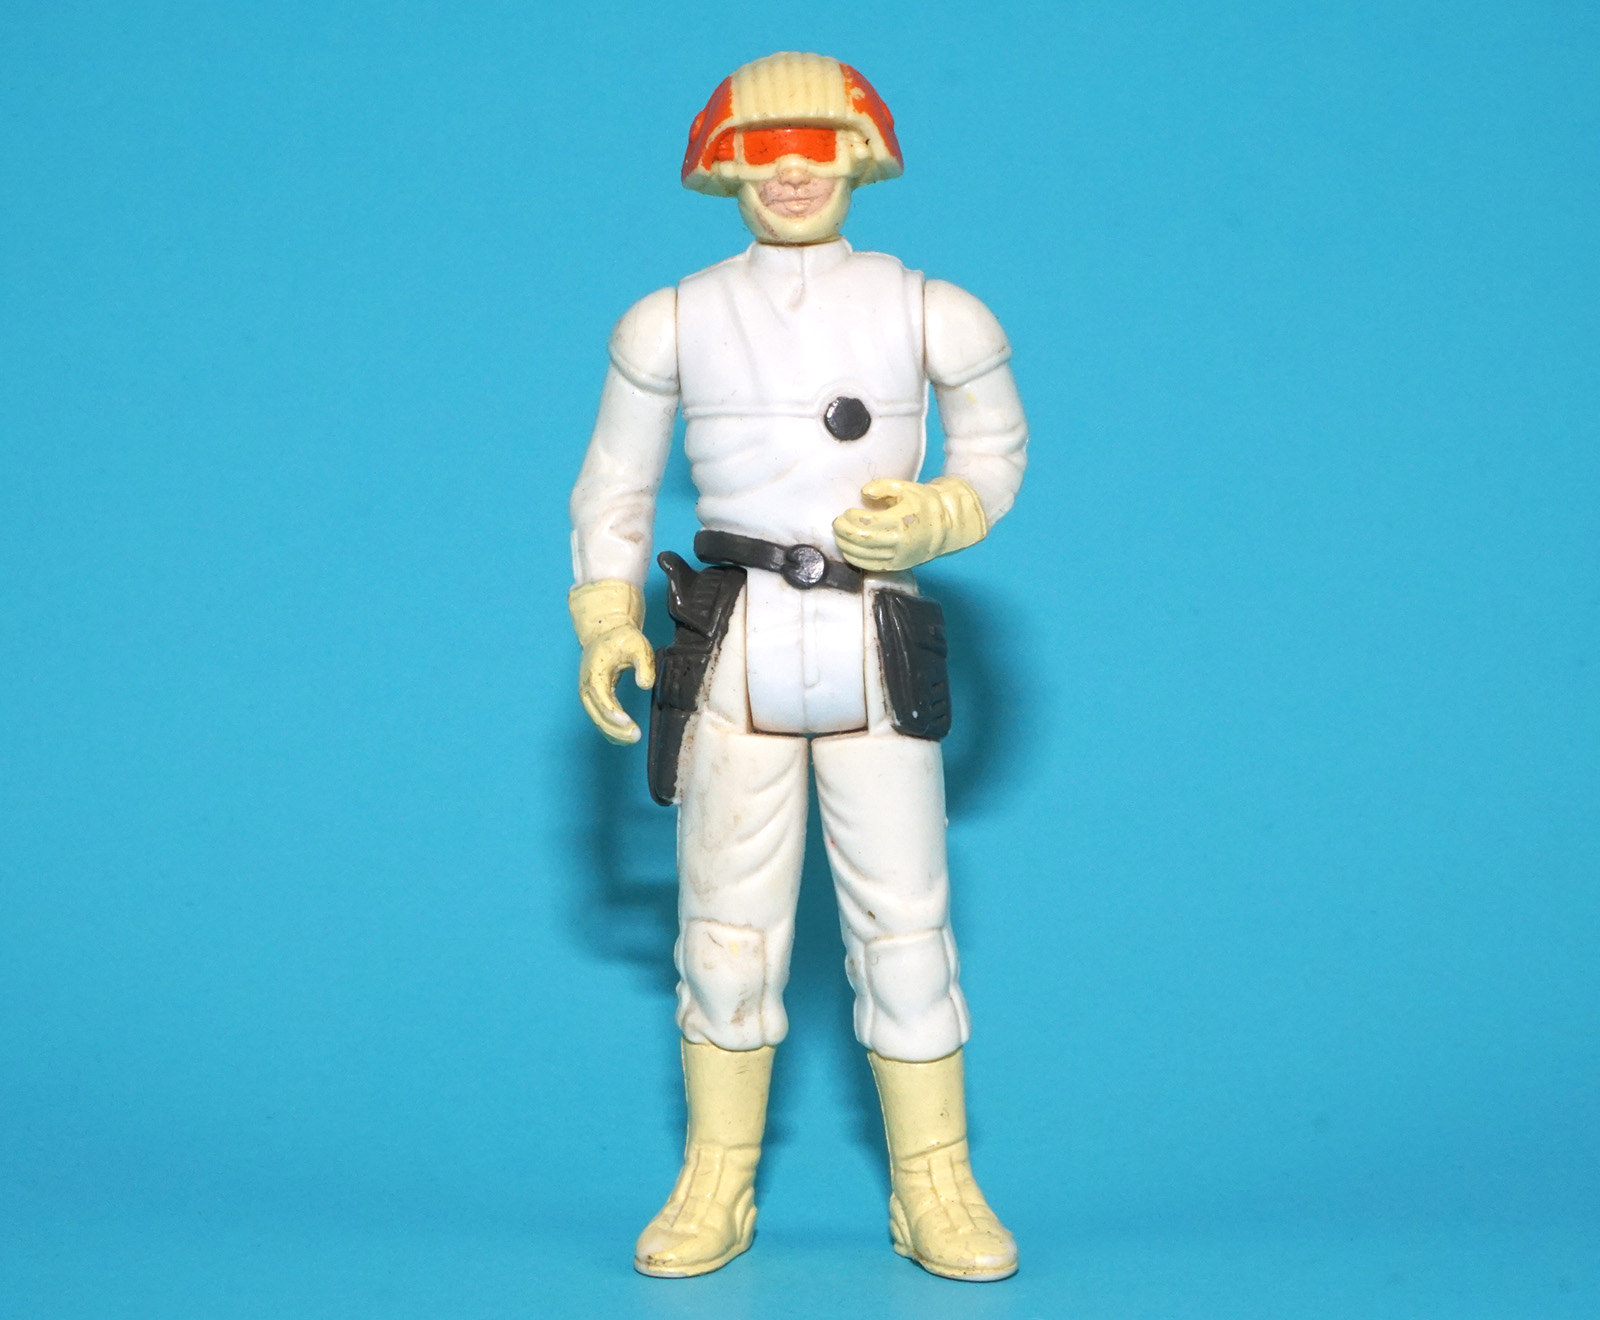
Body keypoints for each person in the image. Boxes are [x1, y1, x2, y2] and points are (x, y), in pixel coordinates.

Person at [567, 51, 1028, 1281]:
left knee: (905, 926)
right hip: (735, 647)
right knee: (723, 930)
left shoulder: (930, 309)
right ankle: (716, 1174)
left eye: (815, 143)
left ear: (859, 154)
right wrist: (606, 613)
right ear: (720, 166)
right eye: (759, 147)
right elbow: (612, 489)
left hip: (875, 645)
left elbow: (994, 447)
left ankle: (935, 1180)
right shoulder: (670, 320)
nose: (788, 170)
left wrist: (941, 515)